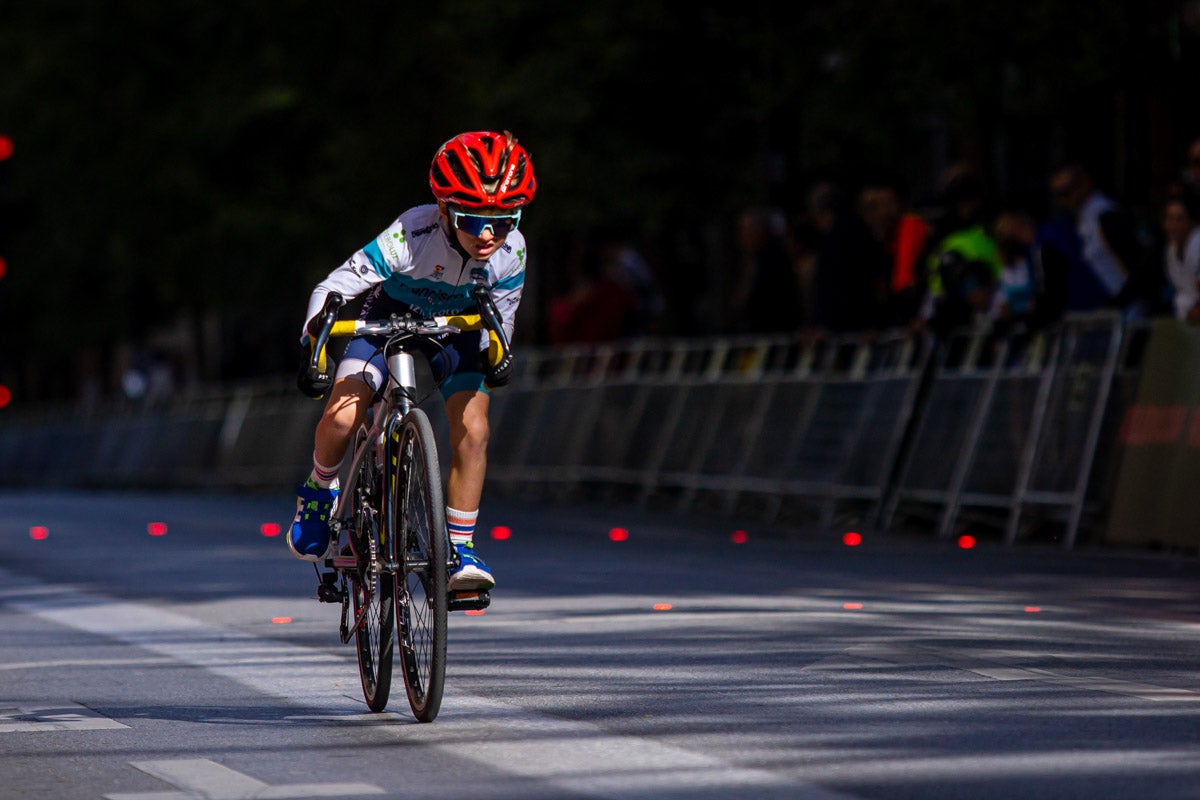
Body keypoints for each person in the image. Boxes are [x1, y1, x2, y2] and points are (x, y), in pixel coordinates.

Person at [288, 131, 536, 593]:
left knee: (475, 430)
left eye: (503, 222)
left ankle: (460, 549)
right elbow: (332, 288)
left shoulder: (512, 251)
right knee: (342, 418)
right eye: (472, 219)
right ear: (443, 209)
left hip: (456, 329)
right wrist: (314, 346)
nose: (488, 235)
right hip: (385, 318)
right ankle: (320, 491)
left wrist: (499, 355)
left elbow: (499, 320)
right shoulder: (411, 234)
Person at [1161, 193, 1200, 323]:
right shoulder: (1171, 250)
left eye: (1179, 219)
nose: (1173, 226)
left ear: (1192, 222)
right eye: (1169, 219)